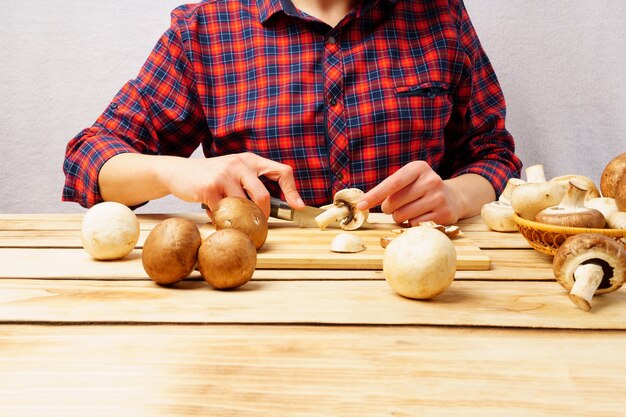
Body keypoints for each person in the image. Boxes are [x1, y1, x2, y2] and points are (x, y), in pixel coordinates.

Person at [63, 0, 522, 226]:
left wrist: (457, 197)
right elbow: (89, 159)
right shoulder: (205, 28)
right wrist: (174, 173)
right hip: (257, 293)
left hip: (414, 284)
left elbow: (494, 154)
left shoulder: (439, 15)